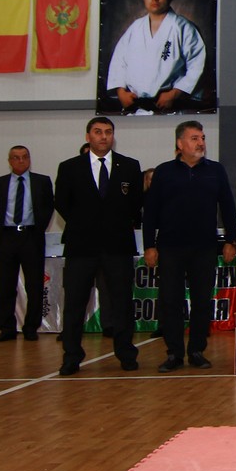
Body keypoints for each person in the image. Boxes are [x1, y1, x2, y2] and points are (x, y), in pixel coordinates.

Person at [53, 117, 145, 375]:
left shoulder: (129, 166)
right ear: (88, 137)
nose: (103, 136)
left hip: (118, 246)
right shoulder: (70, 167)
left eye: (108, 132)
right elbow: (62, 202)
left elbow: (135, 202)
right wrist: (85, 224)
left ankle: (126, 353)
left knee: (122, 302)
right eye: (98, 132)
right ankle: (72, 356)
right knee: (75, 303)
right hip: (81, 246)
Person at [144, 120, 236, 371]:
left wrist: (231, 240)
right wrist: (149, 245)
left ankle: (196, 350)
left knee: (202, 300)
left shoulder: (215, 170)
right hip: (170, 247)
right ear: (180, 143)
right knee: (170, 301)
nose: (201, 143)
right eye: (195, 138)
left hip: (204, 247)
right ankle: (174, 353)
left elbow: (228, 206)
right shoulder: (164, 171)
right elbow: (150, 211)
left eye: (202, 138)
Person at [106, 0, 207, 115]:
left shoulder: (183, 27)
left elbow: (197, 65)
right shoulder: (135, 27)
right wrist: (121, 92)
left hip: (169, 108)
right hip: (136, 109)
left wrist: (174, 93)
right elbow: (118, 62)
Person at [0, 146, 54, 343]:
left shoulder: (42, 181)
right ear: (9, 161)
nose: (21, 161)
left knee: (34, 285)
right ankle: (6, 327)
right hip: (5, 238)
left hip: (31, 236)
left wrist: (37, 228)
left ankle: (31, 327)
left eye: (25, 157)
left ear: (29, 159)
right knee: (5, 286)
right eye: (16, 158)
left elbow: (48, 207)